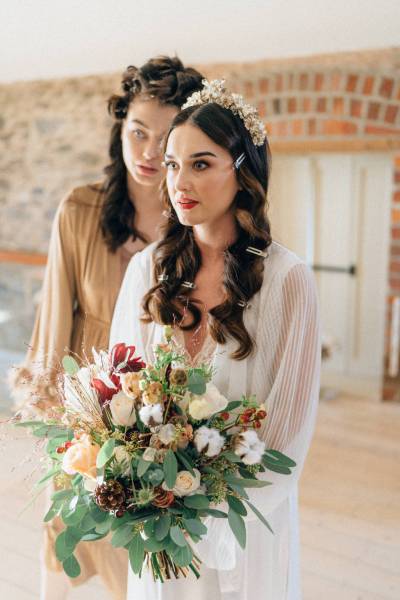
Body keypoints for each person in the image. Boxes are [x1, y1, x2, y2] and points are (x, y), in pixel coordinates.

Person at [110, 79, 321, 600]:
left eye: (202, 164)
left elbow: (287, 433)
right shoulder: (146, 270)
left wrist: (209, 521)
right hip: (160, 528)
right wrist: (148, 499)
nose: (181, 181)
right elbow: (117, 393)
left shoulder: (287, 281)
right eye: (175, 164)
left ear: (243, 170)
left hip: (246, 531)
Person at [9, 56, 204, 600]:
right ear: (120, 128)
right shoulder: (78, 210)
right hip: (84, 405)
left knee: (144, 550)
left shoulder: (196, 220)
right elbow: (54, 321)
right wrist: (56, 415)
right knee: (65, 533)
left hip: (161, 413)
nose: (147, 150)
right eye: (136, 131)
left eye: (164, 137)